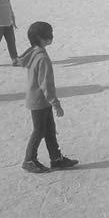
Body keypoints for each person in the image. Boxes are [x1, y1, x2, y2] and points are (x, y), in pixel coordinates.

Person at [18, 21, 78, 173]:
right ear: (41, 37)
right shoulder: (42, 58)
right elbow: (46, 84)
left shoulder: (34, 52)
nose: (51, 37)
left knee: (49, 130)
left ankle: (56, 158)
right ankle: (29, 160)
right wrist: (55, 103)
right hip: (40, 100)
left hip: (39, 99)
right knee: (39, 130)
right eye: (48, 35)